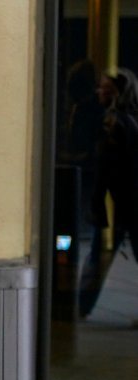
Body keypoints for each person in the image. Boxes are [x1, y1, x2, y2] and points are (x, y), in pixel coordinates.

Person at [80, 68, 138, 319]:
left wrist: (97, 202)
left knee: (97, 256)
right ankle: (81, 306)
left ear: (115, 93)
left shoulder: (115, 123)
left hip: (122, 204)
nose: (98, 92)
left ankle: (81, 307)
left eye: (104, 88)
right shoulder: (131, 119)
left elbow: (106, 168)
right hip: (128, 202)